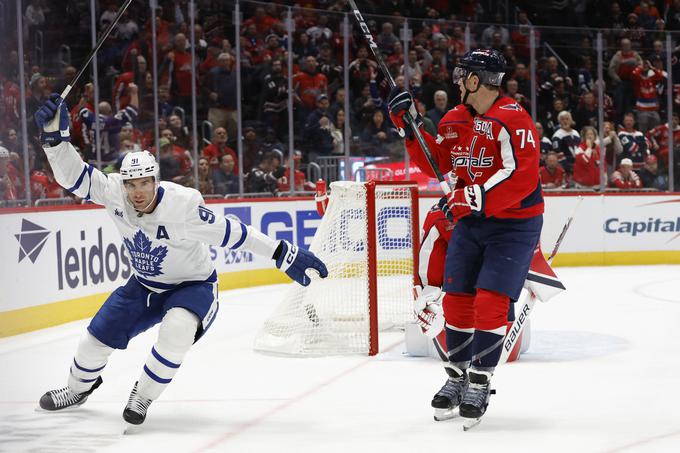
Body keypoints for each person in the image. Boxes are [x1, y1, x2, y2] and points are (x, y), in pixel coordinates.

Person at [33, 94, 328, 425]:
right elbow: (73, 176)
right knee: (94, 340)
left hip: (194, 285)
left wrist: (281, 253)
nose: (138, 191)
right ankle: (77, 389)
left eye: (145, 182)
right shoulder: (113, 191)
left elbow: (234, 233)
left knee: (177, 330)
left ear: (156, 181)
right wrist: (53, 141)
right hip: (144, 285)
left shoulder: (184, 206)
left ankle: (142, 395)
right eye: (131, 184)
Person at [388, 49, 543, 428]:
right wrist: (411, 129)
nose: (458, 81)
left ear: (477, 80)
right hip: (470, 223)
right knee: (457, 300)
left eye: (463, 75)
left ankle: (480, 380)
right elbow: (440, 162)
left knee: (490, 300)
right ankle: (457, 377)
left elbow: (522, 175)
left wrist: (474, 196)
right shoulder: (455, 118)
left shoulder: (513, 118)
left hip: (513, 226)